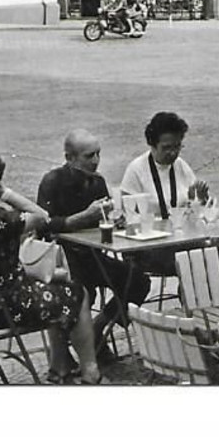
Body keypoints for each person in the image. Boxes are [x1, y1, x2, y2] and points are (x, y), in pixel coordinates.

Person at [0, 151, 101, 384]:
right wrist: (3, 192)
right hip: (6, 305)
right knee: (77, 293)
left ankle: (61, 368)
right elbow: (42, 216)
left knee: (59, 287)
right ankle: (90, 372)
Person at [36, 129, 147, 345]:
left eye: (98, 154)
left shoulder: (97, 182)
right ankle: (75, 346)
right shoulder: (53, 181)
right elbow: (43, 226)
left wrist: (116, 222)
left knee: (137, 280)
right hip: (63, 262)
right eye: (89, 156)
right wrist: (82, 217)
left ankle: (99, 326)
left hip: (92, 258)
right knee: (83, 292)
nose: (96, 161)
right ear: (69, 158)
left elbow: (102, 226)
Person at [118, 111, 207, 221]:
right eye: (166, 148)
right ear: (152, 144)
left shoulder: (181, 165)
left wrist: (198, 200)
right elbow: (126, 211)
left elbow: (194, 208)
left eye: (177, 146)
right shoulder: (136, 170)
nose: (173, 153)